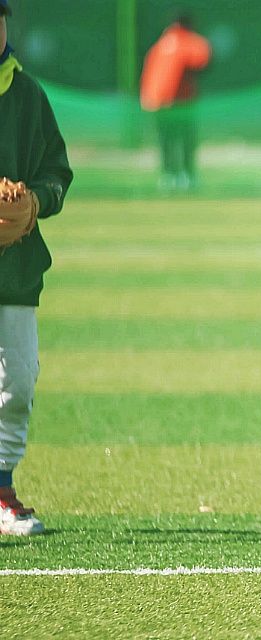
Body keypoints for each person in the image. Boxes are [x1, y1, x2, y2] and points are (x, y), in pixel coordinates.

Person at [0, 0, 74, 536]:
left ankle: (2, 491)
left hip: (17, 268)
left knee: (17, 385)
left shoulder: (28, 95)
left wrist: (36, 202)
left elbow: (58, 173)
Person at [139, 13, 211, 191]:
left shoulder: (160, 44)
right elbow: (203, 60)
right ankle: (186, 176)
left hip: (157, 102)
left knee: (166, 140)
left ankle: (168, 175)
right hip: (179, 102)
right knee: (185, 139)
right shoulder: (188, 40)